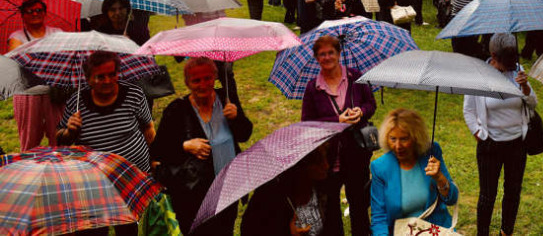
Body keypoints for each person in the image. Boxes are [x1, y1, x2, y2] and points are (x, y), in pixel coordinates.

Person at [56, 51, 155, 236]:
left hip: (130, 179)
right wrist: (70, 130)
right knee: (94, 230)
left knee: (127, 228)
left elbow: (148, 128)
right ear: (88, 78)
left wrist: (157, 160)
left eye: (112, 74)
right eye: (100, 76)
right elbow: (60, 139)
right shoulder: (76, 104)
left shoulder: (133, 94)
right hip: (94, 185)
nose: (108, 80)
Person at [151, 57, 253, 236]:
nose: (203, 84)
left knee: (225, 230)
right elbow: (158, 151)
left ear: (215, 77)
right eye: (196, 80)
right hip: (192, 195)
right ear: (187, 83)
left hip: (227, 189)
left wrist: (236, 118)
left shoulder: (226, 98)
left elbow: (245, 135)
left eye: (208, 78)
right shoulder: (177, 110)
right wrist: (184, 146)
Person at [301, 35, 376, 235]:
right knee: (331, 210)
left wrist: (361, 111)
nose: (327, 57)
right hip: (327, 159)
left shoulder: (355, 77)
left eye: (330, 53)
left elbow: (371, 104)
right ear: (316, 58)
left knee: (359, 205)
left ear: (338, 53)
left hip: (356, 154)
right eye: (322, 54)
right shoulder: (313, 88)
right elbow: (307, 123)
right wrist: (337, 121)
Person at [463, 33, 536, 236]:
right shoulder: (479, 75)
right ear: (493, 56)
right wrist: (478, 132)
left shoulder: (518, 71)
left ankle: (506, 232)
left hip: (517, 144)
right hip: (490, 144)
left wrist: (525, 87)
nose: (510, 68)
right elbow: (468, 110)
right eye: (506, 62)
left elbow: (533, 104)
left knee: (512, 192)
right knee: (488, 195)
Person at [370, 108, 459, 236]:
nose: (398, 146)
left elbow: (452, 198)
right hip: (401, 232)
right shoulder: (380, 167)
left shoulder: (431, 152)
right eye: (393, 139)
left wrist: (440, 178)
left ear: (416, 137)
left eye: (404, 139)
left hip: (435, 230)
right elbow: (379, 219)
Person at [241, 144, 340, 235]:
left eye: (325, 158)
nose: (326, 166)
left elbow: (335, 227)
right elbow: (250, 229)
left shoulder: (327, 185)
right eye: (319, 162)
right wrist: (287, 232)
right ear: (303, 167)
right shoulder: (272, 192)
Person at [8, 0, 65, 150]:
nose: (35, 13)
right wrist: (50, 56)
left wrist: (33, 55)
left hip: (55, 94)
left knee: (60, 138)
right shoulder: (16, 36)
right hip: (27, 94)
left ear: (45, 13)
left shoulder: (57, 33)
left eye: (39, 10)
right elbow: (18, 63)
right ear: (23, 15)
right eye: (30, 11)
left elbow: (64, 58)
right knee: (29, 142)